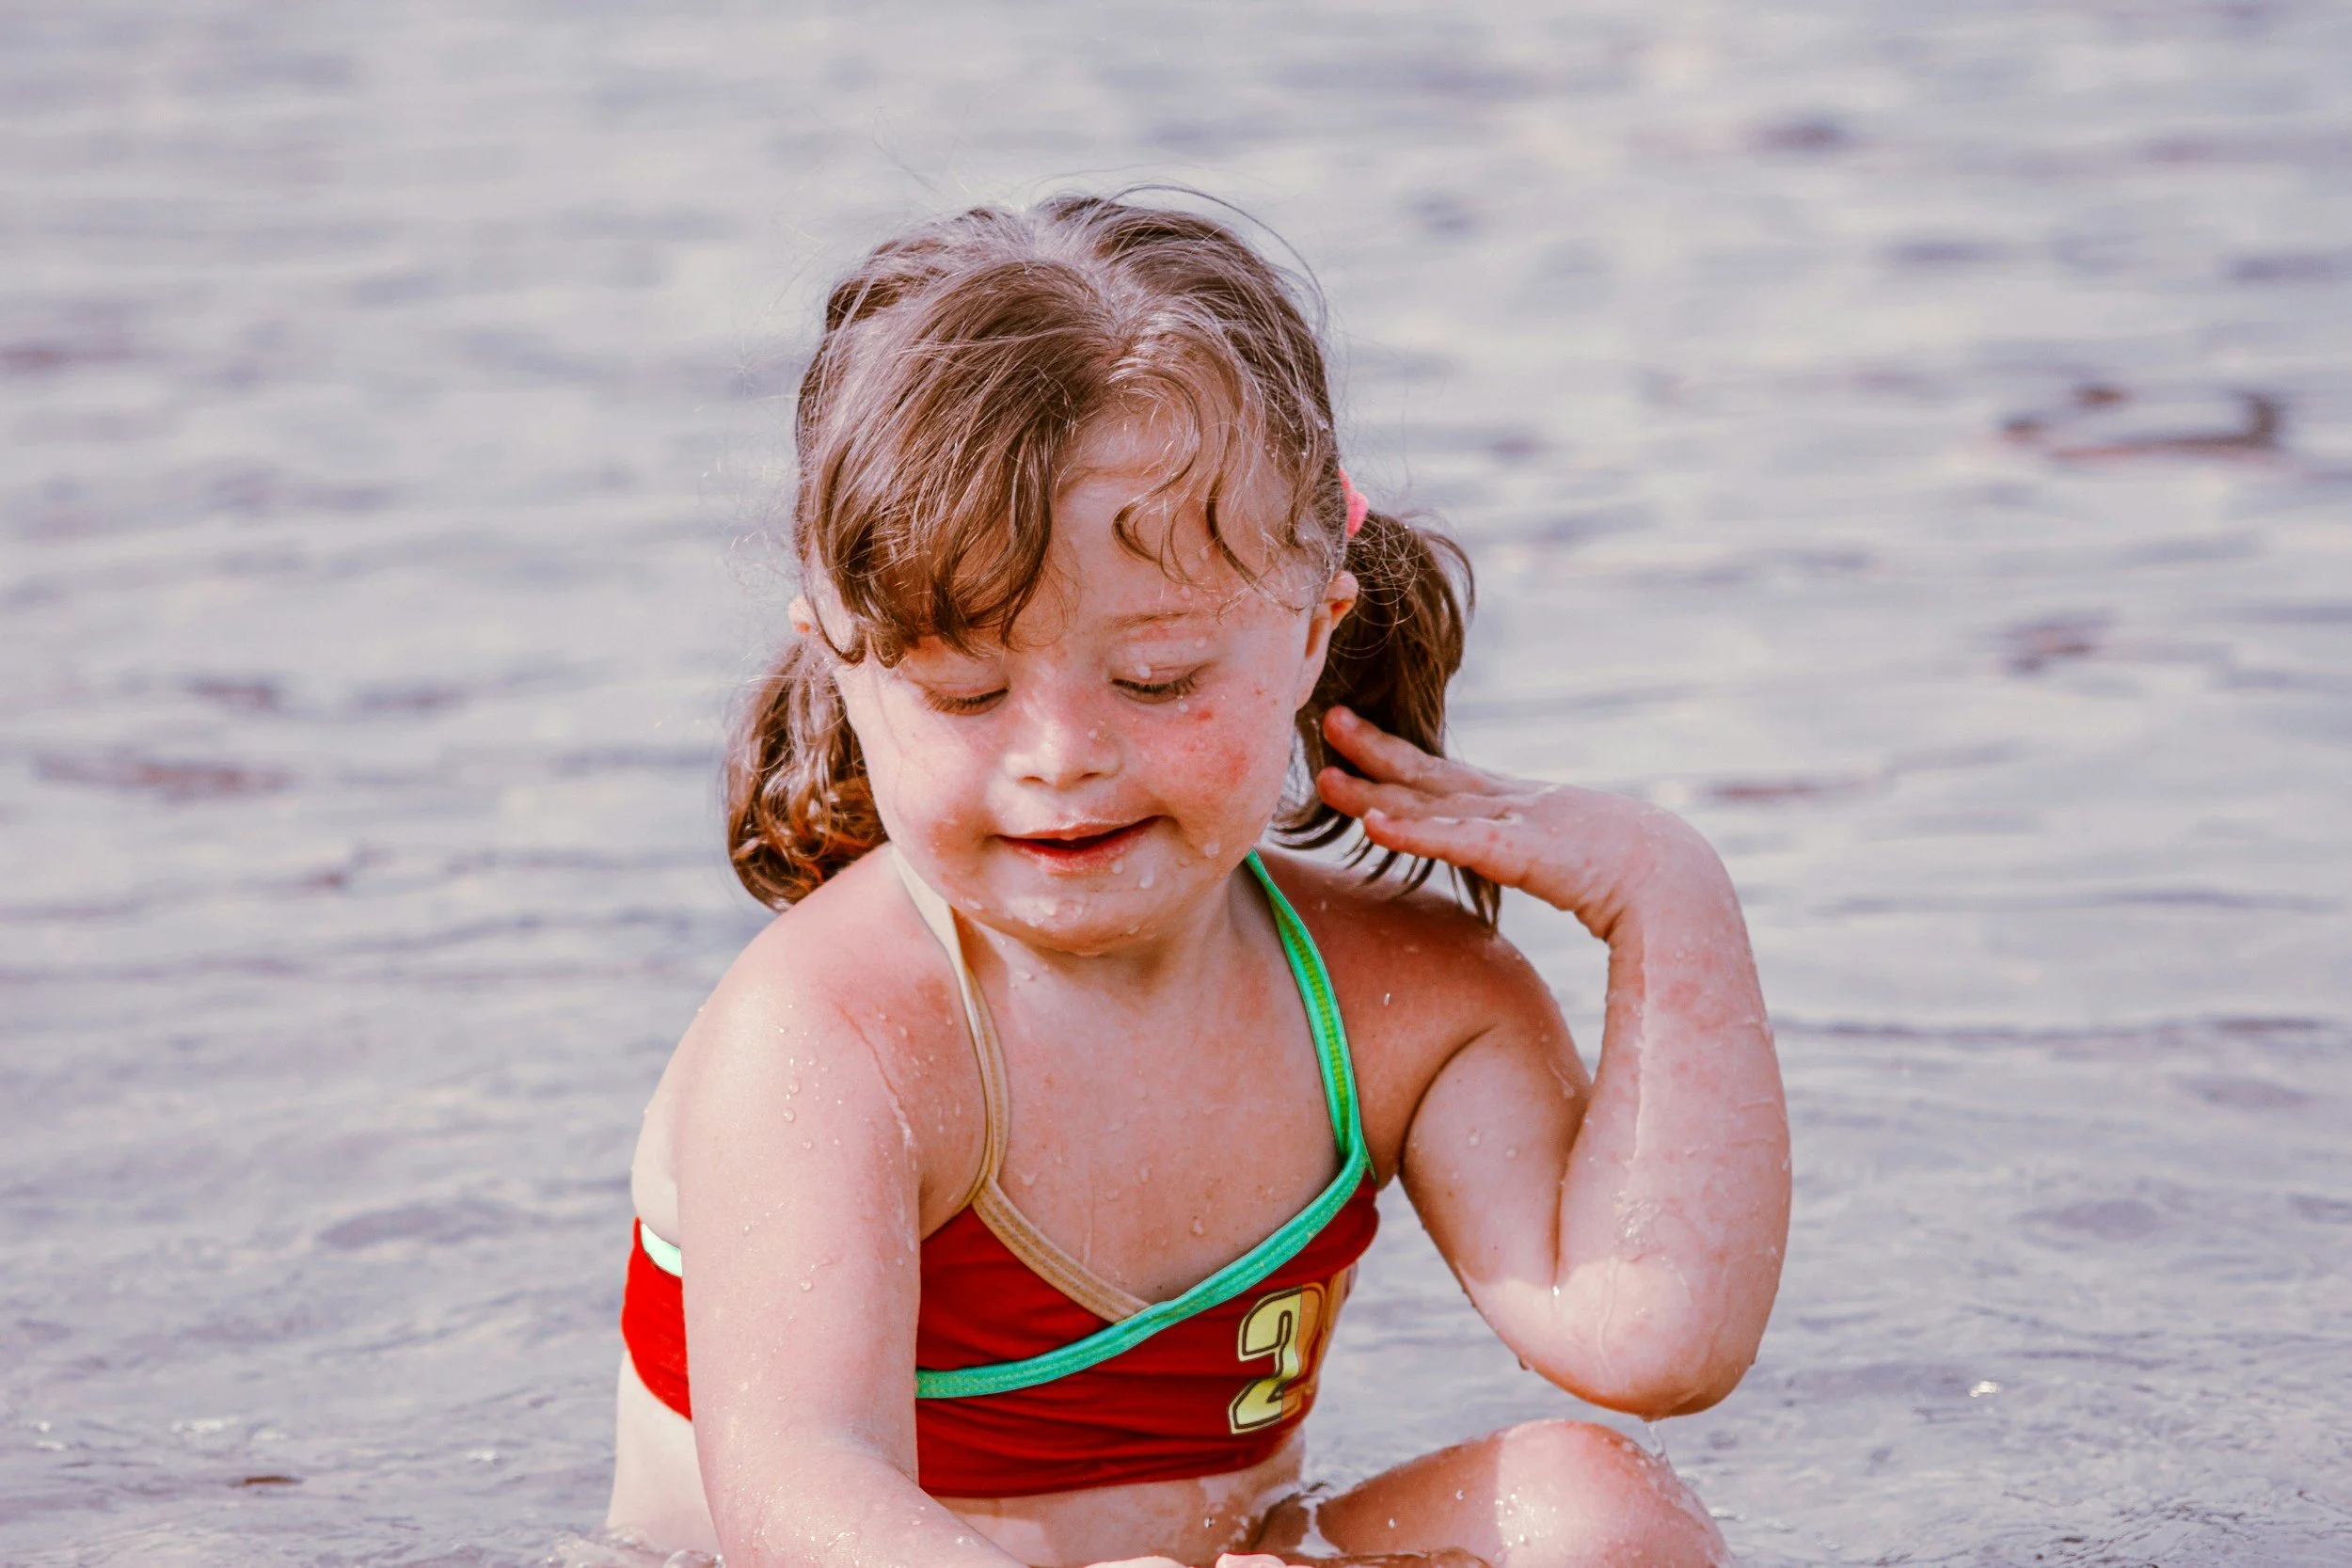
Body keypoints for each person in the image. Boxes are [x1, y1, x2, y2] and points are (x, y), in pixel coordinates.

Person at [605, 193, 1789, 1568]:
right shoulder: (837, 1037)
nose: (1062, 756)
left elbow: (1657, 1336)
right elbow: (803, 1492)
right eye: (968, 690)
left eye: (1157, 676)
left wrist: (1669, 895)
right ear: (845, 669)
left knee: (1601, 1511)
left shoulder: (1404, 1005)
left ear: (1311, 629)